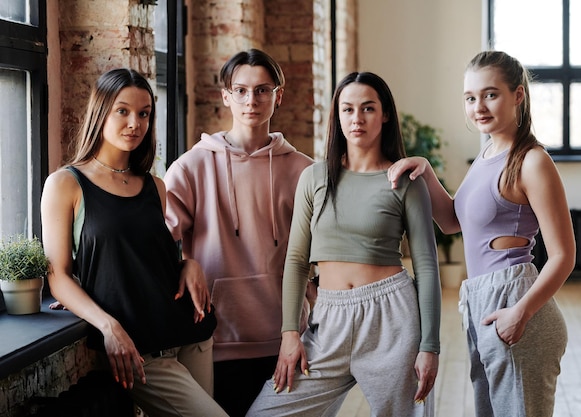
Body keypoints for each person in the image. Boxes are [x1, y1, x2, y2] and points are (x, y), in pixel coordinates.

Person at [388, 50, 575, 417]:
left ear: (517, 95)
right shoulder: (488, 153)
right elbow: (452, 222)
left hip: (516, 300)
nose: (479, 107)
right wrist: (426, 171)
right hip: (480, 301)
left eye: (490, 94)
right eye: (470, 98)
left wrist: (520, 313)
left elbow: (564, 256)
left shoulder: (532, 161)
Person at [247, 71, 441, 417]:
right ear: (337, 116)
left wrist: (430, 346)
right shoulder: (315, 178)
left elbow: (426, 266)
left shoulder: (405, 180)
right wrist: (290, 333)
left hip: (391, 320)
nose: (357, 119)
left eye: (368, 108)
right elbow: (295, 261)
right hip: (328, 320)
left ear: (385, 115)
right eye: (348, 109)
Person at [41, 68, 229, 417]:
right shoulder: (65, 184)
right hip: (141, 350)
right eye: (123, 111)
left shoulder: (154, 185)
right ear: (101, 112)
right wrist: (108, 326)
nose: (135, 123)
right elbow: (58, 276)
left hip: (192, 334)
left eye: (144, 114)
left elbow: (158, 258)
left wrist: (188, 263)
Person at [163, 48, 314, 416]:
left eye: (263, 90)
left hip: (287, 337)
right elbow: (157, 241)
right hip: (216, 337)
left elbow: (324, 252)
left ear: (278, 96)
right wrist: (183, 260)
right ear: (225, 96)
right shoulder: (190, 167)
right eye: (241, 90)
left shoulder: (304, 171)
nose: (252, 100)